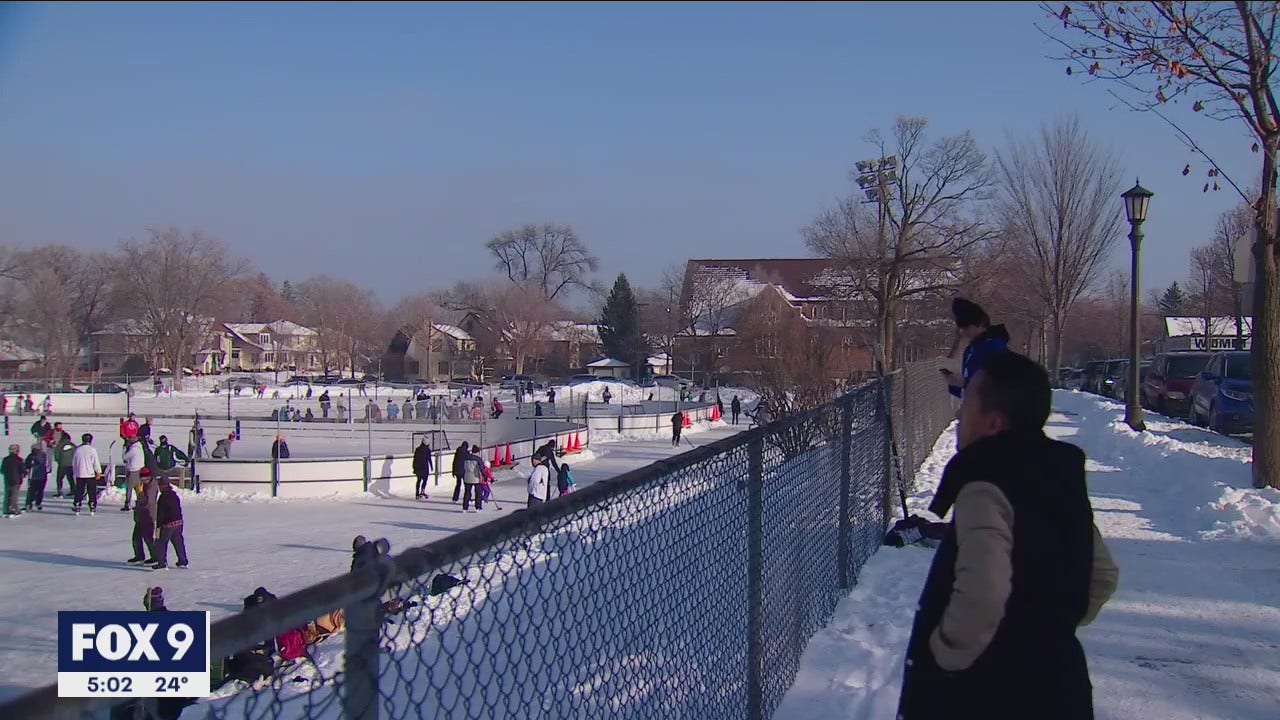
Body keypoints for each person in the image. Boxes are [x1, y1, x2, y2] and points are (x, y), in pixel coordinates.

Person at [896, 352, 1119, 720]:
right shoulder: (1058, 475)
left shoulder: (985, 481)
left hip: (988, 695)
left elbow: (984, 590)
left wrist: (944, 660)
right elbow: (1103, 575)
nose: (957, 415)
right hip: (1063, 689)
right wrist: (1048, 633)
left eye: (967, 404)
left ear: (995, 423)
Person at [943, 298, 1010, 399]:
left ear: (980, 324)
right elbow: (968, 390)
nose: (965, 332)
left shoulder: (995, 346)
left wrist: (963, 382)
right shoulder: (970, 349)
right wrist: (954, 383)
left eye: (967, 328)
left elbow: (997, 385)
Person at [151, 476, 188, 569]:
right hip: (178, 522)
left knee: (161, 543)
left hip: (167, 524)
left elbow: (161, 513)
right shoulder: (174, 495)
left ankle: (162, 563)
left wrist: (158, 527)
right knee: (178, 543)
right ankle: (183, 561)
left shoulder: (163, 497)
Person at [71, 433, 103, 515]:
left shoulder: (78, 449)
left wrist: (75, 473)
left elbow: (74, 463)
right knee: (91, 491)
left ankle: (77, 503)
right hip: (90, 474)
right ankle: (92, 504)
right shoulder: (92, 450)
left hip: (80, 474)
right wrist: (98, 471)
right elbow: (96, 462)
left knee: (79, 490)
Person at [121, 436, 144, 512]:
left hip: (133, 470)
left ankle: (127, 504)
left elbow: (124, 457)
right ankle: (140, 503)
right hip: (139, 469)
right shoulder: (139, 448)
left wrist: (124, 449)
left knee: (129, 488)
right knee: (138, 488)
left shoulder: (133, 449)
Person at [23, 442, 48, 511]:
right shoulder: (43, 455)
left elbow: (26, 466)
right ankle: (38, 503)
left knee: (31, 491)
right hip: (42, 476)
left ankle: (29, 504)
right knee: (40, 491)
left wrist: (25, 473)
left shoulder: (31, 456)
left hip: (33, 476)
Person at [2, 444, 25, 517]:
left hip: (7, 479)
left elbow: (2, 470)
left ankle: (6, 510)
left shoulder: (5, 459)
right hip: (16, 480)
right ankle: (14, 509)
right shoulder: (19, 460)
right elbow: (23, 470)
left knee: (7, 495)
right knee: (14, 496)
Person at [461, 444, 484, 512]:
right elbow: (482, 469)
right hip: (476, 478)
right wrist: (485, 476)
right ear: (477, 452)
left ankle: (465, 508)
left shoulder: (465, 458)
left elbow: (463, 468)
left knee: (467, 493)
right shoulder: (478, 459)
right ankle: (478, 507)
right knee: (478, 493)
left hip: (467, 477)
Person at [54, 431, 75, 497]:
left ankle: (59, 491)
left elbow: (56, 455)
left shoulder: (59, 445)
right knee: (70, 478)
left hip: (62, 465)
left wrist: (59, 461)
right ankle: (73, 490)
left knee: (59, 479)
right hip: (70, 465)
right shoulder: (73, 445)